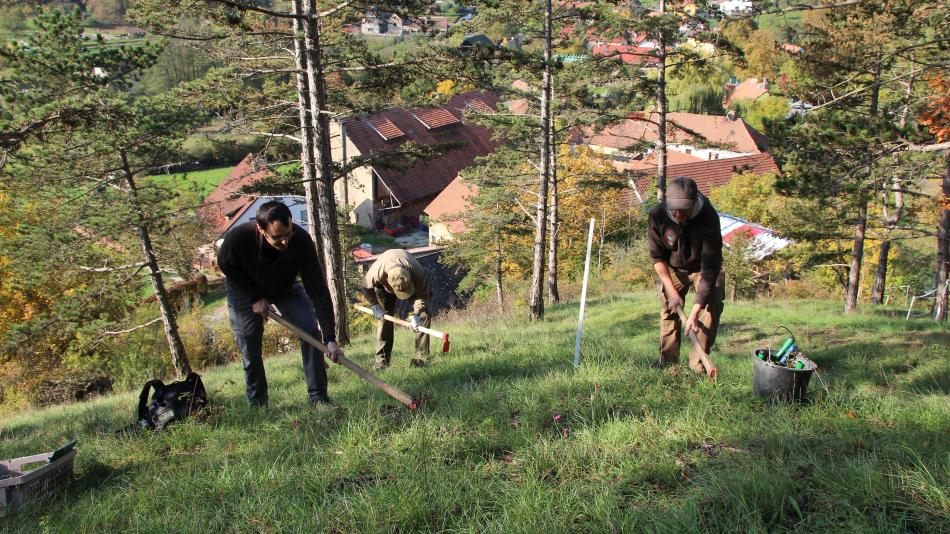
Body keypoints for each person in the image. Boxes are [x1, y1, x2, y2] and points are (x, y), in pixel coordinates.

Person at [217, 201, 344, 407]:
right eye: (277, 237)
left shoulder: (301, 241)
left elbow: (318, 291)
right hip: (244, 290)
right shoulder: (238, 239)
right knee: (249, 343)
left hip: (284, 287)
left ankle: (319, 398)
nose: (285, 242)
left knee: (310, 331)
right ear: (261, 229)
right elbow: (225, 264)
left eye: (288, 234)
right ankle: (258, 404)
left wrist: (330, 337)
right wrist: (254, 297)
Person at [648, 176, 725, 375]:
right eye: (674, 208)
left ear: (693, 203)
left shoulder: (708, 217)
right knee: (669, 308)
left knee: (712, 304)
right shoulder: (658, 216)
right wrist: (672, 292)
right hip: (672, 269)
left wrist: (694, 312)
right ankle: (669, 364)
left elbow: (710, 269)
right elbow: (657, 259)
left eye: (683, 209)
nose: (677, 213)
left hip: (703, 268)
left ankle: (698, 366)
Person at [361, 248, 432, 369]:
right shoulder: (375, 273)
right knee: (384, 318)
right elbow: (365, 287)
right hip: (383, 286)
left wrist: (416, 315)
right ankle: (381, 362)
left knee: (423, 315)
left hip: (412, 281)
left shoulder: (418, 272)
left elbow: (422, 297)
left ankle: (421, 357)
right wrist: (375, 305)